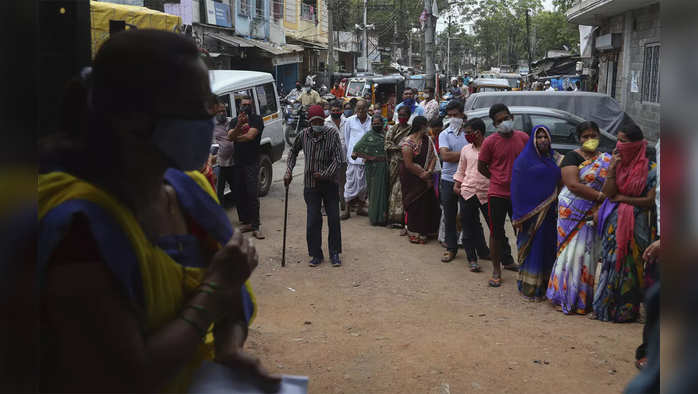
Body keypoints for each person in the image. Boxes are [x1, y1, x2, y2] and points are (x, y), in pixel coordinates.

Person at [37, 30, 279, 393]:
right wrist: (214, 288)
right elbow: (129, 376)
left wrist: (228, 349)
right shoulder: (78, 228)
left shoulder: (190, 189)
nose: (210, 118)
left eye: (211, 104)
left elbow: (232, 295)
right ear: (131, 117)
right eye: (197, 107)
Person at [593, 123, 657, 323]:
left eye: (624, 141)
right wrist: (612, 168)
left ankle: (627, 311)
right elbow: (609, 193)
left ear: (637, 144)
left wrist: (623, 199)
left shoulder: (651, 169)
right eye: (618, 140)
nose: (619, 145)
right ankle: (605, 307)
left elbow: (648, 201)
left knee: (632, 266)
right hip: (614, 223)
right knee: (611, 263)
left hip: (637, 224)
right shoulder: (617, 163)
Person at [547, 121, 611, 314]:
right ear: (579, 138)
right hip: (573, 211)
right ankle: (564, 296)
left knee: (588, 255)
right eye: (585, 137)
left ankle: (582, 298)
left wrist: (601, 204)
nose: (590, 140)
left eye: (594, 136)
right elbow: (572, 185)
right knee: (571, 253)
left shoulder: (605, 159)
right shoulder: (572, 157)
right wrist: (601, 198)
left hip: (595, 210)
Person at [285, 105, 345, 267]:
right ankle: (316, 254)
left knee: (333, 219)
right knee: (313, 220)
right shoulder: (303, 135)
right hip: (311, 185)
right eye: (314, 121)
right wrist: (288, 171)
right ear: (310, 122)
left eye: (320, 121)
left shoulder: (332, 134)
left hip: (330, 184)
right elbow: (292, 152)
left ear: (323, 120)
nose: (317, 124)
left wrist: (325, 174)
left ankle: (334, 253)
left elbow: (339, 159)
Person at [478, 103, 528, 287]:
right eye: (499, 121)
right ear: (494, 124)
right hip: (497, 194)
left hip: (519, 194)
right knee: (496, 232)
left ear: (511, 117)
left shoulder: (523, 138)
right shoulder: (490, 142)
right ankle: (496, 269)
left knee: (521, 231)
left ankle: (525, 267)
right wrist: (497, 178)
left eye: (506, 118)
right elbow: (481, 166)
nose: (504, 122)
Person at [510, 125, 562, 301]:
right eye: (538, 137)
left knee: (548, 248)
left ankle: (546, 285)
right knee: (533, 249)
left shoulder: (555, 159)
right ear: (533, 139)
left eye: (545, 136)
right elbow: (516, 189)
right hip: (529, 216)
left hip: (550, 214)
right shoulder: (523, 161)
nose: (542, 140)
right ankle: (530, 287)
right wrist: (519, 216)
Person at [453, 118, 492, 272]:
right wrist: (457, 184)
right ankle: (472, 259)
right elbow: (461, 169)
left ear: (478, 132)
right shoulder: (466, 149)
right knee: (468, 227)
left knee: (495, 228)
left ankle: (505, 258)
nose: (465, 135)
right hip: (468, 192)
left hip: (487, 192)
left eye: (468, 132)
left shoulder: (490, 148)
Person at [400, 116, 441, 244]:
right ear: (421, 127)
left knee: (427, 204)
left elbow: (433, 157)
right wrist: (422, 174)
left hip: (426, 177)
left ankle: (427, 231)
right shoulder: (408, 143)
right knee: (415, 205)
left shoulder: (427, 140)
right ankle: (414, 232)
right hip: (412, 179)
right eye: (426, 126)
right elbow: (408, 164)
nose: (428, 128)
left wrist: (428, 172)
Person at [228, 96, 265, 239]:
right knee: (239, 192)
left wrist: (235, 136)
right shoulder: (233, 121)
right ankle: (246, 222)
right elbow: (230, 136)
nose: (246, 107)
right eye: (244, 105)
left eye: (249, 105)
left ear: (252, 106)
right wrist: (238, 126)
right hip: (238, 163)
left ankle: (256, 226)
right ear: (239, 106)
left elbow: (250, 136)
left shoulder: (256, 119)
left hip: (252, 162)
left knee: (252, 194)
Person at [438, 100, 469, 262]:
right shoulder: (444, 134)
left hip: (467, 180)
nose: (452, 119)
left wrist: (456, 154)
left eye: (455, 115)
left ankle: (475, 249)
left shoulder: (469, 133)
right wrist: (467, 153)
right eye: (449, 115)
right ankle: (451, 248)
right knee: (449, 216)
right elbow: (445, 156)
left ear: (462, 115)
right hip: (448, 179)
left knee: (468, 216)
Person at [351, 115, 389, 226]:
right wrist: (370, 157)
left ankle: (382, 218)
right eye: (374, 123)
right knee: (374, 192)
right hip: (372, 168)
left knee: (384, 192)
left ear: (382, 123)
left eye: (378, 123)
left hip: (385, 167)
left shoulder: (386, 135)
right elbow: (355, 153)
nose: (376, 125)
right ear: (371, 124)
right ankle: (374, 218)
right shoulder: (368, 136)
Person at [385, 105, 413, 229]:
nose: (402, 117)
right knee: (392, 191)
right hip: (394, 163)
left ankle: (401, 219)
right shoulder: (393, 129)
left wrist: (404, 148)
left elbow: (413, 144)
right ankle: (391, 218)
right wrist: (399, 148)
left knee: (401, 190)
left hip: (406, 163)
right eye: (400, 115)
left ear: (408, 116)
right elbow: (387, 143)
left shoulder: (411, 130)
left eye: (404, 115)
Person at [343, 99, 372, 217]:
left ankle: (360, 208)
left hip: (366, 160)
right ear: (355, 109)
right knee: (350, 184)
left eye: (363, 108)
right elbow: (346, 139)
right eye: (358, 108)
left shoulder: (371, 121)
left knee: (364, 186)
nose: (360, 111)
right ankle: (347, 210)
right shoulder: (349, 121)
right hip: (353, 160)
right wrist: (349, 155)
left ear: (367, 108)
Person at [325, 100, 349, 216]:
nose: (335, 112)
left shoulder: (347, 122)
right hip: (330, 159)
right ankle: (327, 207)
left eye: (337, 110)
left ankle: (343, 206)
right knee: (330, 183)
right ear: (330, 111)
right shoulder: (326, 123)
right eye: (333, 110)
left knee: (343, 182)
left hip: (345, 158)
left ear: (342, 110)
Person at [212, 99, 235, 205]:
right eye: (219, 111)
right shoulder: (212, 126)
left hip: (233, 162)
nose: (222, 113)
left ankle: (243, 216)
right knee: (219, 191)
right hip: (220, 164)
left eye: (224, 111)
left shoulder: (231, 121)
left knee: (236, 188)